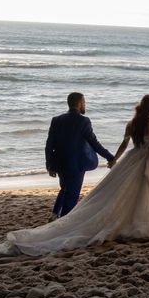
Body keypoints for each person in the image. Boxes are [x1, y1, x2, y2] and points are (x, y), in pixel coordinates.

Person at [0, 95, 149, 256]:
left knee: (112, 192)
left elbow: (125, 144)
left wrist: (114, 159)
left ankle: (60, 215)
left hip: (127, 160)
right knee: (144, 191)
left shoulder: (131, 124)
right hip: (139, 162)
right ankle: (135, 221)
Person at [45, 92, 115, 220]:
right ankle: (64, 220)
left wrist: (49, 165)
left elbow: (49, 145)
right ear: (79, 103)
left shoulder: (56, 120)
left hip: (59, 163)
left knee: (64, 189)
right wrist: (110, 157)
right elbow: (94, 143)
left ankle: (55, 214)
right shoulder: (83, 121)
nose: (84, 105)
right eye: (84, 102)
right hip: (76, 164)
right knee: (72, 195)